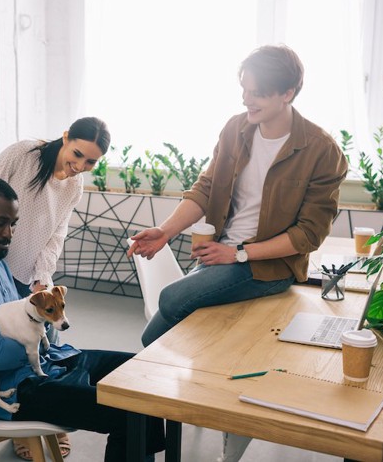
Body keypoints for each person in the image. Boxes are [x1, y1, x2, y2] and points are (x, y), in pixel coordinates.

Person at [128, 45, 348, 461]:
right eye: (244, 89)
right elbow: (206, 187)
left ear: (288, 92)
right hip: (219, 256)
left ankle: (152, 427)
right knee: (156, 338)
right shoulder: (236, 128)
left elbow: (308, 233)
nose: (247, 99)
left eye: (258, 93)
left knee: (170, 304)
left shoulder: (321, 149)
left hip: (268, 266)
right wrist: (165, 230)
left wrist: (240, 256)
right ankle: (181, 413)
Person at [0, 177, 165, 462]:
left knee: (142, 372)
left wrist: (42, 335)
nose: (9, 233)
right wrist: (39, 346)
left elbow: (26, 317)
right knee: (130, 410)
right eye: (0, 222)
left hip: (52, 363)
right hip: (21, 389)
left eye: (13, 224)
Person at [0, 117, 110, 458]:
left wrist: (42, 276)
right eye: (78, 154)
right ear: (66, 136)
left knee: (49, 347)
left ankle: (47, 414)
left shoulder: (74, 186)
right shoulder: (23, 154)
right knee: (13, 352)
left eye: (91, 162)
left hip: (33, 276)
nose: (80, 166)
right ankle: (20, 426)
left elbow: (55, 236)